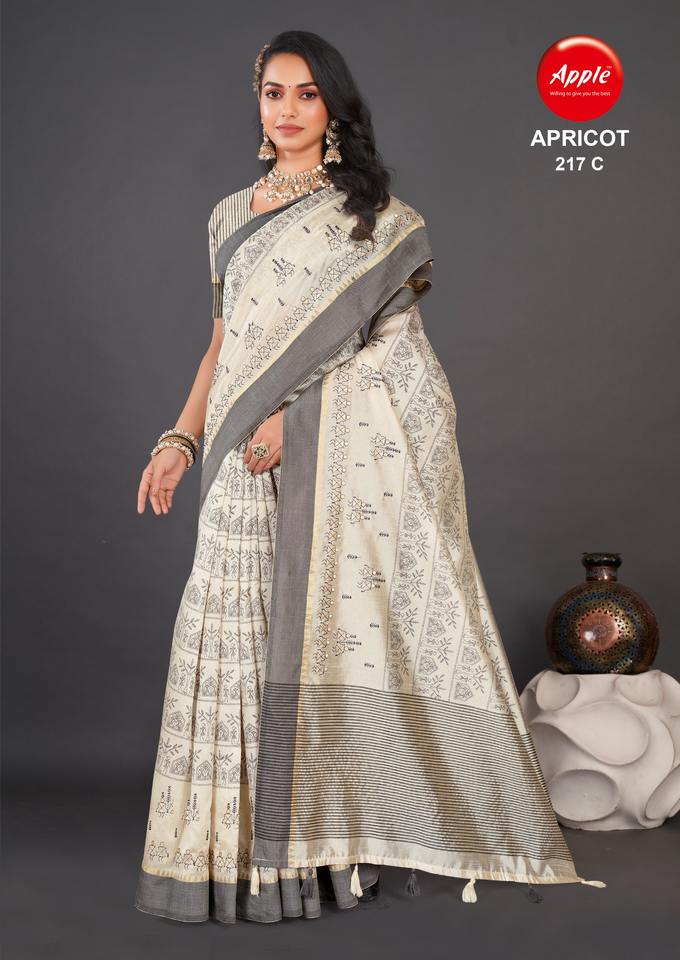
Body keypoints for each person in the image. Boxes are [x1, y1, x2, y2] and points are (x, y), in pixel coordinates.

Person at [134, 30, 606, 926]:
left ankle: (306, 863)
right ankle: (221, 859)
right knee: (235, 643)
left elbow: (399, 362)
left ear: (333, 106)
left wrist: (296, 422)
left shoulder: (376, 219)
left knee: (301, 644)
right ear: (257, 103)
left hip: (315, 461)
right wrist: (181, 440)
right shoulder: (228, 217)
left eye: (306, 93)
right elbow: (221, 347)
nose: (287, 110)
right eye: (273, 92)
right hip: (236, 458)